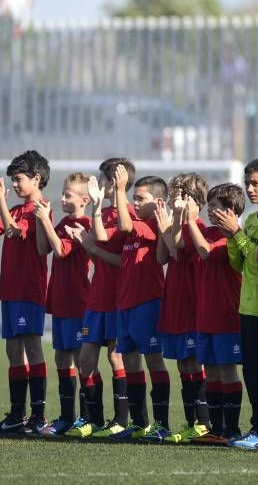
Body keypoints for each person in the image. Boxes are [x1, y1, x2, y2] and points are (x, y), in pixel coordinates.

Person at [211, 159, 258, 449]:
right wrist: (231, 235)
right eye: (247, 182)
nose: (250, 188)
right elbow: (240, 264)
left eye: (255, 183)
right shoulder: (251, 220)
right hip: (247, 306)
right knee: (251, 371)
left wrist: (236, 234)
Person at [64, 160, 134, 439]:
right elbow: (99, 256)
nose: (99, 185)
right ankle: (91, 418)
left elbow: (121, 260)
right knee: (85, 359)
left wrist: (90, 244)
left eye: (104, 180)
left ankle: (121, 419)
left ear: (117, 181)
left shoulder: (127, 213)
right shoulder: (103, 212)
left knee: (116, 357)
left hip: (118, 298)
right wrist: (87, 244)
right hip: (97, 298)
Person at [0, 150, 51, 434]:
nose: (15, 184)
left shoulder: (40, 208)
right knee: (13, 350)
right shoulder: (16, 208)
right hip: (10, 290)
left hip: (29, 289)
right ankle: (16, 414)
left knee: (32, 348)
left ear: (37, 179)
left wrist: (1, 200)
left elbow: (13, 231)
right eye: (12, 180)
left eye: (19, 179)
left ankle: (38, 415)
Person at [109, 166, 170, 441]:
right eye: (133, 197)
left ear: (157, 203)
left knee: (154, 362)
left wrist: (120, 189)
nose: (134, 202)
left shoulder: (155, 225)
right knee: (131, 363)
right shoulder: (134, 229)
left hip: (147, 303)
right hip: (125, 304)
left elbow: (124, 223)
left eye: (140, 199)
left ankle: (162, 424)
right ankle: (140, 422)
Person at [183, 183, 245, 445]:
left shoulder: (230, 238)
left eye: (215, 207)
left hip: (227, 316)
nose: (210, 211)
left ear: (231, 211)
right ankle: (216, 429)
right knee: (212, 373)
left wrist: (190, 221)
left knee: (228, 371)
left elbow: (205, 253)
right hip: (205, 316)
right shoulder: (206, 231)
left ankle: (232, 429)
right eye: (208, 206)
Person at [33, 173, 91, 435]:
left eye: (68, 194)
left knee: (81, 360)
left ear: (85, 199)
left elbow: (61, 250)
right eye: (63, 193)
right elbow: (42, 248)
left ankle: (87, 418)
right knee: (61, 356)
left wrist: (46, 219)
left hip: (78, 302)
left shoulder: (84, 224)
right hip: (60, 301)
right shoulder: (62, 223)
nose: (63, 198)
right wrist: (40, 220)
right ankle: (67, 417)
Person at [155, 173, 210, 444]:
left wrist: (172, 224)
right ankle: (191, 422)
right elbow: (161, 256)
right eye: (173, 194)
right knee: (182, 363)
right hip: (174, 303)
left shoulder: (195, 227)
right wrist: (162, 227)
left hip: (191, 303)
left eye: (179, 195)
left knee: (193, 361)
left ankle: (204, 421)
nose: (173, 200)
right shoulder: (173, 225)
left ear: (194, 200)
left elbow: (176, 248)